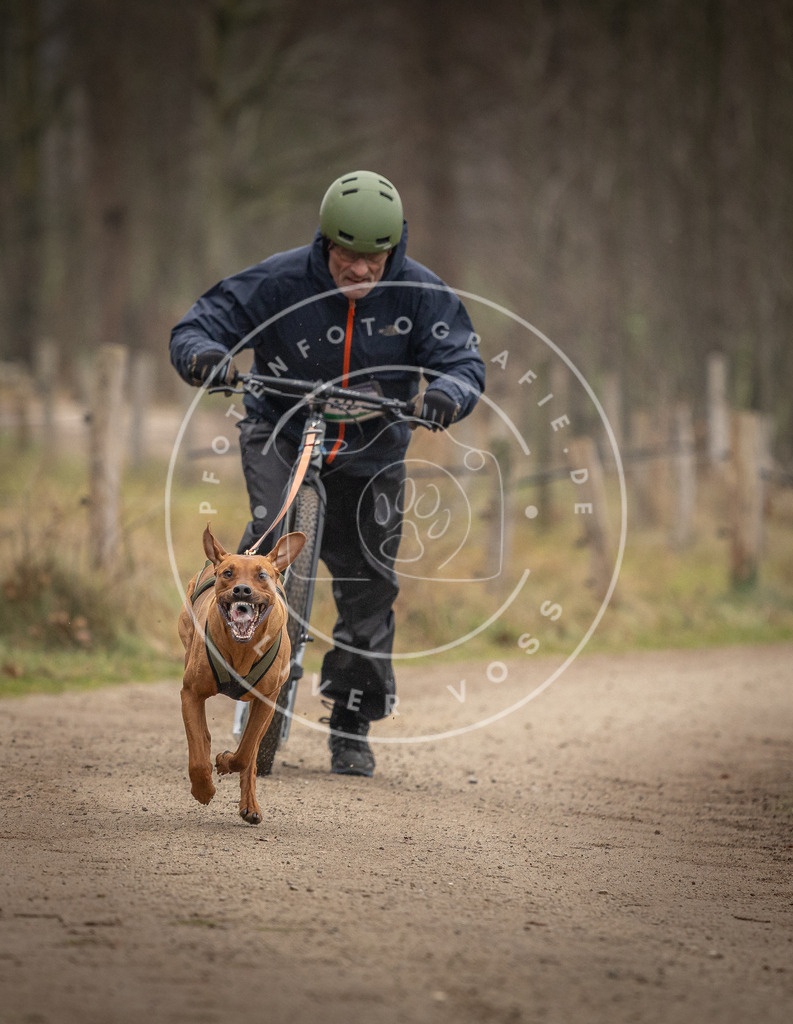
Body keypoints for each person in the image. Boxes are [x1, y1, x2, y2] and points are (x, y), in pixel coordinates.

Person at [170, 170, 485, 777]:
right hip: (280, 430)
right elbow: (197, 325)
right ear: (325, 242)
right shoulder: (280, 280)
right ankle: (231, 670)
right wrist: (204, 355)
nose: (360, 270)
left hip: (373, 448)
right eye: (347, 255)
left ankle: (351, 720)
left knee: (370, 580)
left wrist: (448, 393)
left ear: (394, 249)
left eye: (375, 259)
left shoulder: (421, 294)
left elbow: (464, 362)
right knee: (269, 532)